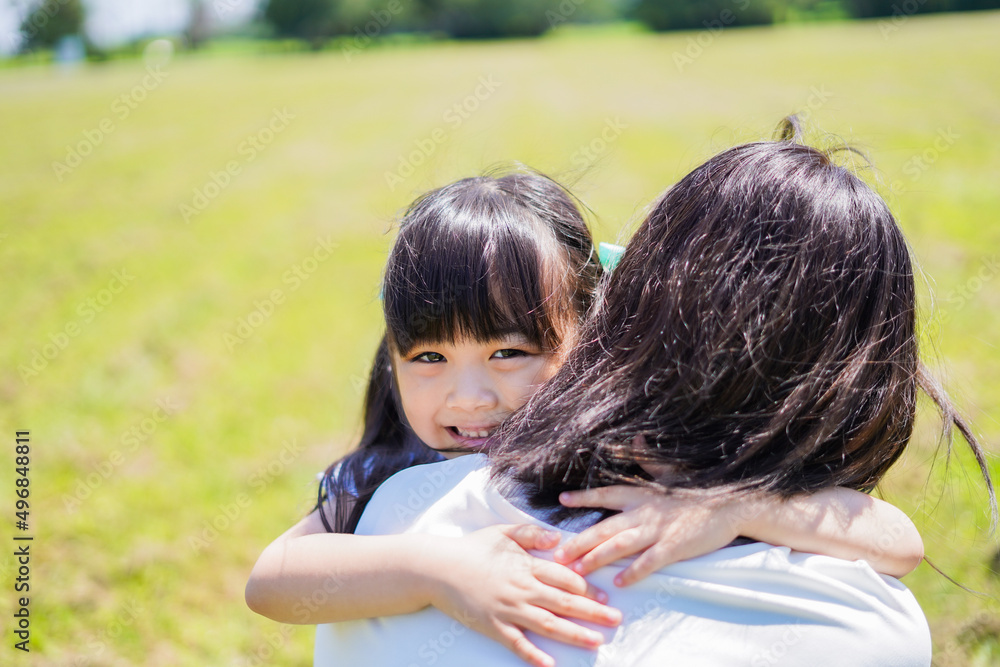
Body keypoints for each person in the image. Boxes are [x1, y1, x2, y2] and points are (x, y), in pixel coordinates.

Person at [310, 122, 995, 666]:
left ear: (599, 323)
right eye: (428, 357)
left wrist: (732, 506)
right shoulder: (874, 623)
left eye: (510, 353)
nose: (472, 399)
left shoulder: (404, 507)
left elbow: (898, 537)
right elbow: (276, 576)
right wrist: (431, 568)